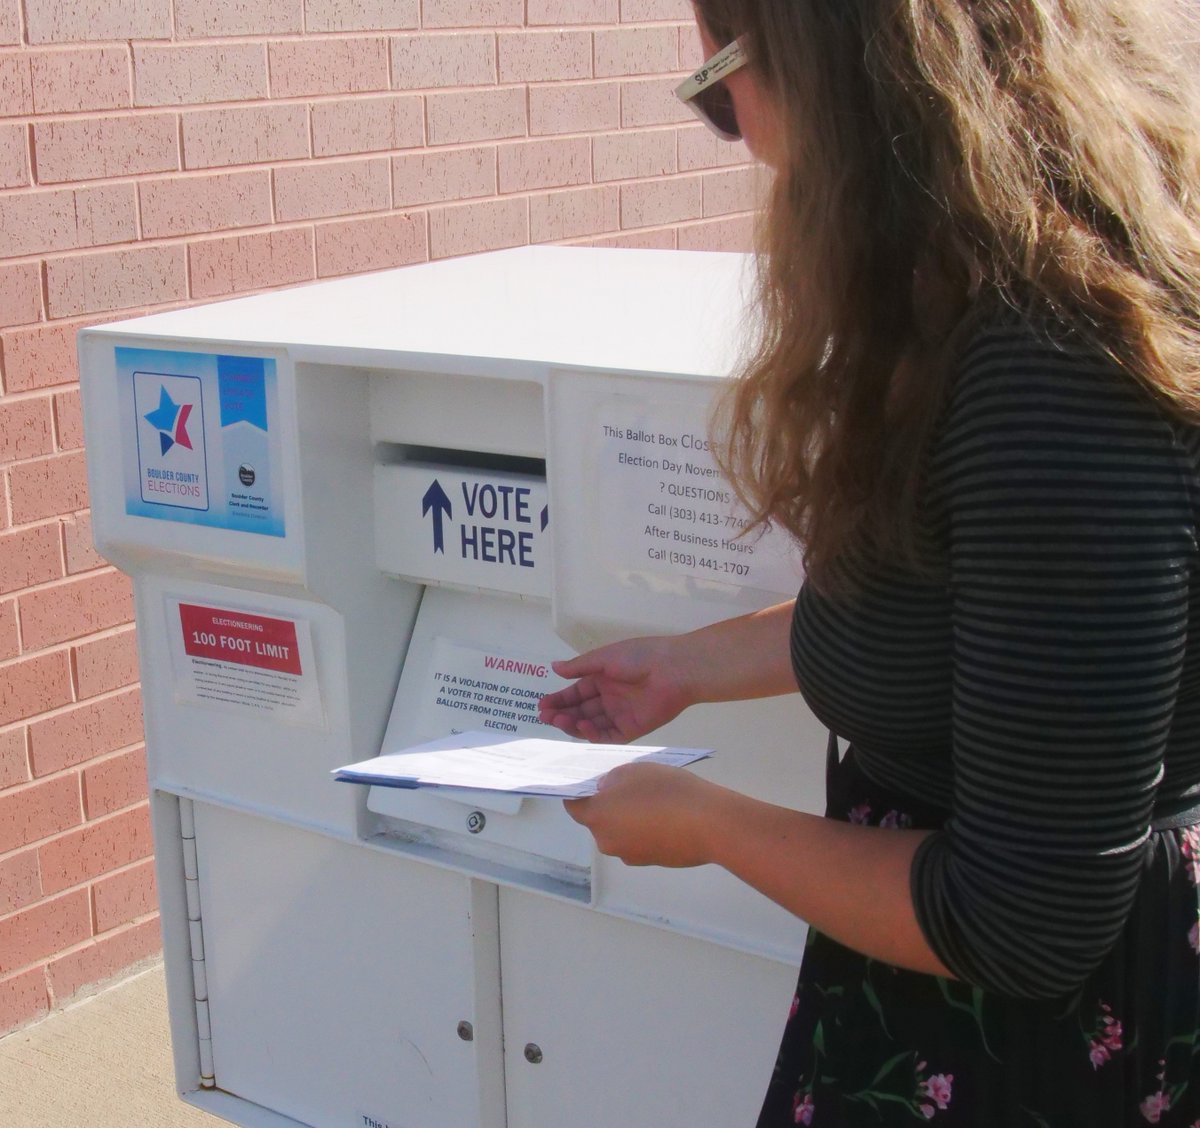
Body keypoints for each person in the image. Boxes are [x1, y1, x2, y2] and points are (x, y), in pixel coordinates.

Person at [538, 1, 1200, 1124]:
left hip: (1036, 1047)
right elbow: (959, 618)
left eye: (722, 84)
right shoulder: (975, 303)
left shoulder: (1048, 369)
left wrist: (706, 824)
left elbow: (1023, 920)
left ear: (843, 68)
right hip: (938, 995)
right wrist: (690, 666)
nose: (739, 137)